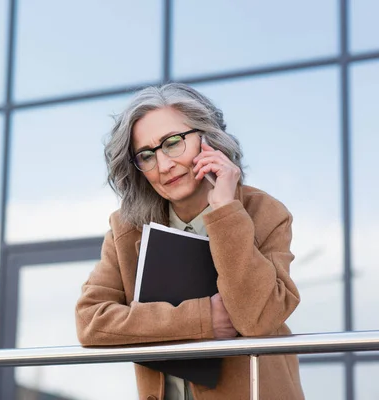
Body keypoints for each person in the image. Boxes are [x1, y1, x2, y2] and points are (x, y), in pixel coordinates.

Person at [75, 82, 304, 400]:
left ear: (208, 140)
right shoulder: (126, 230)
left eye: (172, 143)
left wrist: (225, 210)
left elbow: (259, 319)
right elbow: (91, 322)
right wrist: (203, 319)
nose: (164, 165)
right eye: (146, 155)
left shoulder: (264, 212)